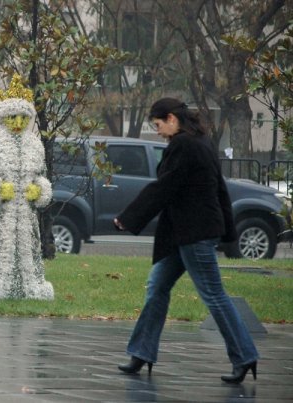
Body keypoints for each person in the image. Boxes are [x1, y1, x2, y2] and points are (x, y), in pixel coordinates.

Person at [113, 97, 258, 384]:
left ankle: (244, 356)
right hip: (185, 233)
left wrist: (129, 217)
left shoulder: (184, 145)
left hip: (194, 234)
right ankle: (141, 353)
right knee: (157, 287)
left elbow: (164, 188)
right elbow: (219, 189)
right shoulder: (201, 142)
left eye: (157, 125)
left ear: (171, 118)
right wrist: (226, 229)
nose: (157, 131)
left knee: (214, 295)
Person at [0, 74, 54, 300]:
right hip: (0, 214)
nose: (18, 124)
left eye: (23, 118)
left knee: (28, 248)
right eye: (12, 118)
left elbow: (42, 176)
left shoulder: (35, 144)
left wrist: (40, 190)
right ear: (2, 118)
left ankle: (30, 286)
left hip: (26, 214)